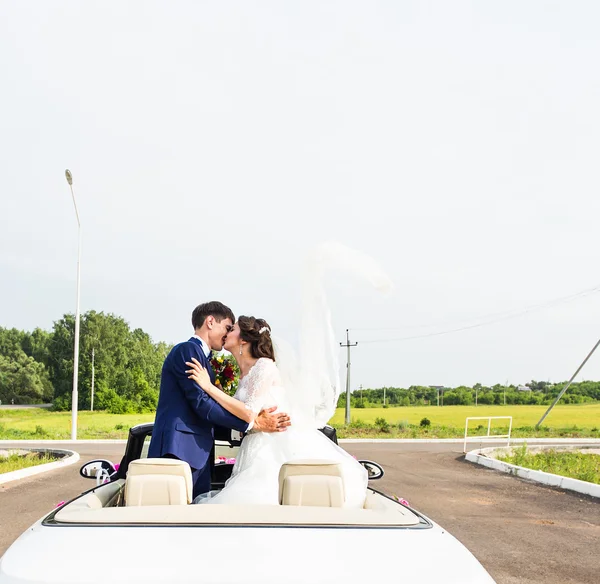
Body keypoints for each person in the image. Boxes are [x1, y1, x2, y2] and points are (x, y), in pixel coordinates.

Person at [185, 315, 368, 508]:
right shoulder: (245, 373)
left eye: (233, 329)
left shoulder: (264, 366)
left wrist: (208, 387)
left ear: (244, 339)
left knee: (259, 499)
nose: (227, 332)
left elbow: (248, 412)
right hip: (253, 446)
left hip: (272, 448)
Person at [148, 301, 291, 499]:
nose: (227, 333)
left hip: (197, 454)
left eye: (232, 329)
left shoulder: (207, 362)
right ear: (210, 322)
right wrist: (252, 423)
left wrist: (249, 424)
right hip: (179, 451)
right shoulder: (187, 350)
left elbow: (212, 411)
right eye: (227, 327)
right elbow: (201, 403)